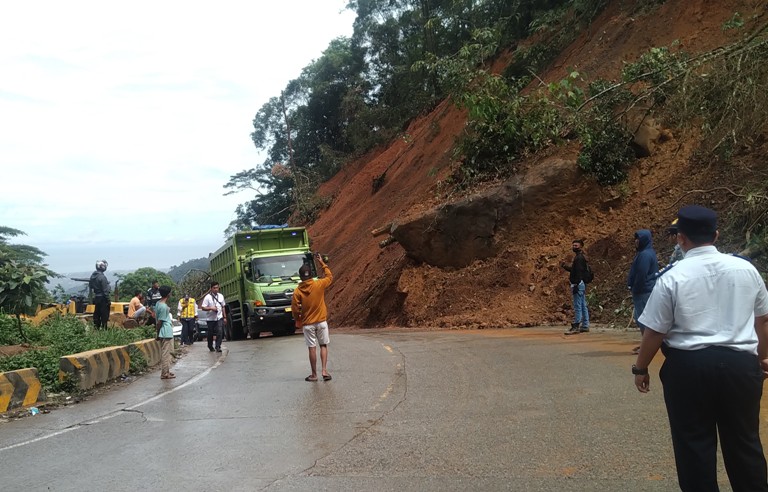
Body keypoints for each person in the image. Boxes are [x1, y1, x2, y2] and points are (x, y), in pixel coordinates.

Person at [633, 205, 768, 491]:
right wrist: (762, 359)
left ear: (681, 238)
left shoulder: (672, 276)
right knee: (745, 444)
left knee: (694, 448)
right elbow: (763, 321)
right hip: (740, 369)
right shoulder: (746, 269)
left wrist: (641, 367)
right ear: (716, 235)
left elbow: (655, 331)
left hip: (688, 370)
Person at [292, 252, 334, 382]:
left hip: (308, 324)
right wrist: (321, 262)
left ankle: (314, 375)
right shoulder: (319, 284)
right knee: (323, 345)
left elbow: (294, 308)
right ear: (311, 274)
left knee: (312, 347)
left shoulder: (298, 291)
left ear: (300, 277)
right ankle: (324, 371)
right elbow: (329, 276)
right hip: (321, 322)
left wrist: (298, 319)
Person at [627, 230, 659, 354]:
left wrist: (635, 288)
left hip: (643, 290)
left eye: (638, 239)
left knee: (643, 319)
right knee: (642, 318)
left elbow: (641, 274)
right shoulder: (645, 253)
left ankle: (647, 347)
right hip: (645, 289)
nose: (636, 241)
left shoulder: (645, 255)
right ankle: (646, 344)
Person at [560, 239, 590, 335]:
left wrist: (576, 283)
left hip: (578, 284)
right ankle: (585, 325)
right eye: (573, 245)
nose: (574, 247)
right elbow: (574, 270)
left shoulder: (579, 258)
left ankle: (576, 325)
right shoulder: (580, 257)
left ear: (581, 246)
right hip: (580, 284)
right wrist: (564, 266)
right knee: (582, 305)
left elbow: (579, 272)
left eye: (576, 246)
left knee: (578, 306)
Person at [154, 285, 176, 380]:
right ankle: (164, 373)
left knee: (167, 351)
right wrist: (158, 333)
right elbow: (160, 321)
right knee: (166, 353)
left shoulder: (158, 303)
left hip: (164, 331)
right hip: (166, 331)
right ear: (168, 294)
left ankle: (166, 371)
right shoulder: (163, 306)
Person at [201, 281, 226, 353]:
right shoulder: (207, 297)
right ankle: (210, 345)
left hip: (219, 317)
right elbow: (203, 307)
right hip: (210, 319)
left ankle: (218, 346)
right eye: (214, 288)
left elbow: (223, 306)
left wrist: (224, 317)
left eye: (217, 288)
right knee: (210, 333)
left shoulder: (221, 296)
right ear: (211, 288)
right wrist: (211, 308)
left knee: (220, 332)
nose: (216, 289)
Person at [89, 259, 111, 329]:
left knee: (97, 314)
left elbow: (91, 286)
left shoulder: (93, 276)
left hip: (97, 297)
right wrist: (108, 300)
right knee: (104, 315)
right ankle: (104, 330)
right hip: (103, 299)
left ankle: (96, 328)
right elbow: (105, 291)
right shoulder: (102, 277)